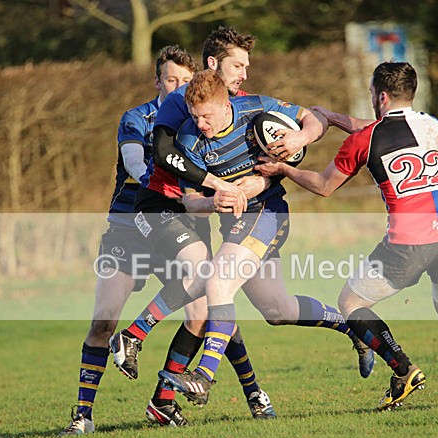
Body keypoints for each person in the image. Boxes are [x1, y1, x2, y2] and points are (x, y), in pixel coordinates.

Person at [255, 61, 438, 409]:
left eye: (371, 94)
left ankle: (403, 369)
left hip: (410, 242)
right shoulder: (432, 125)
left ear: (380, 96)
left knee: (351, 304)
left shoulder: (364, 140)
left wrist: (283, 169)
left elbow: (323, 186)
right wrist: (337, 118)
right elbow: (387, 131)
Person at [156, 69, 369, 406]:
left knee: (218, 281)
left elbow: (313, 118)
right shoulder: (188, 140)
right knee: (277, 309)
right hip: (236, 226)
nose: (201, 124)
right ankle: (355, 328)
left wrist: (299, 139)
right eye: (195, 117)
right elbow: (189, 201)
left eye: (207, 116)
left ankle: (203, 376)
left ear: (226, 105)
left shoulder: (255, 109)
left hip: (267, 214)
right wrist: (212, 202)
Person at [110, 27, 284, 421]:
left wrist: (256, 180)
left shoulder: (229, 116)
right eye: (237, 65)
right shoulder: (178, 119)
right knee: (210, 281)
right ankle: (134, 336)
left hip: (188, 212)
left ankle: (164, 400)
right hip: (157, 207)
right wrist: (220, 191)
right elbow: (164, 166)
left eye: (186, 83)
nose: (243, 73)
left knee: (211, 307)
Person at [58, 45, 200, 436]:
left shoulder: (199, 121)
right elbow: (136, 164)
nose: (178, 87)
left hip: (172, 227)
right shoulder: (137, 118)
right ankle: (83, 415)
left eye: (185, 81)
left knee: (201, 308)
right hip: (128, 225)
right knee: (103, 321)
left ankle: (163, 401)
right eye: (171, 79)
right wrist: (180, 184)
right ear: (157, 81)